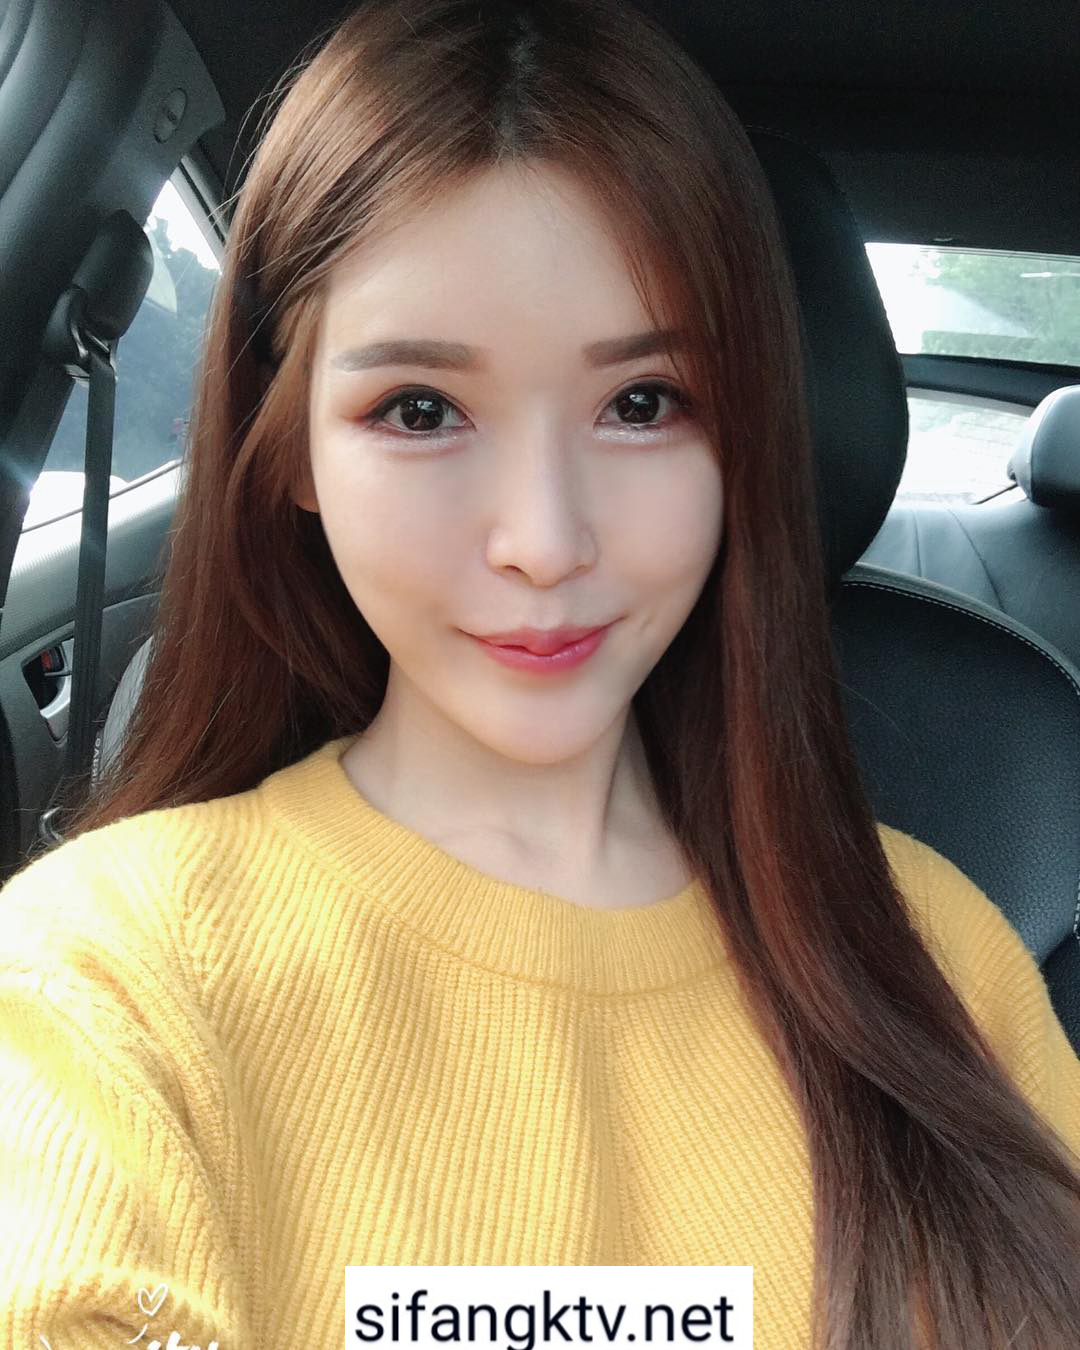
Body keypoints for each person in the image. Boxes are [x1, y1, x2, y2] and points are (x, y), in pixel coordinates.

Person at [1, 1, 1078, 1346]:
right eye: (420, 410)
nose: (546, 542)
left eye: (643, 404)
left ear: (745, 438)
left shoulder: (947, 963)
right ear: (289, 449)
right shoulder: (100, 984)